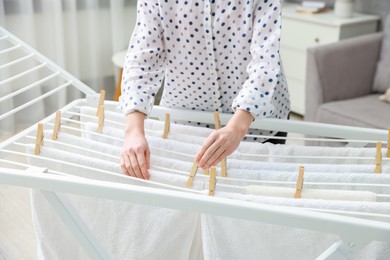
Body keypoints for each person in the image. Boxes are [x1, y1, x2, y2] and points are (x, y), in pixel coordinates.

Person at [119, 0, 290, 179]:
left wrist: (238, 126)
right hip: (186, 124)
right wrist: (133, 131)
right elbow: (143, 59)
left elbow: (264, 63)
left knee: (256, 193)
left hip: (258, 124)